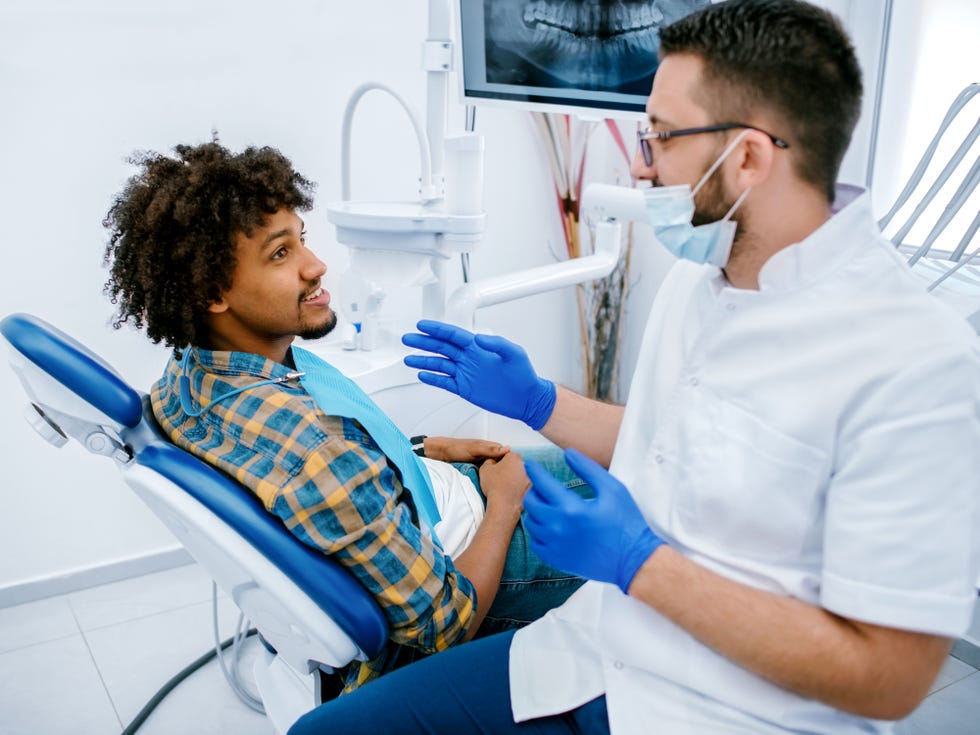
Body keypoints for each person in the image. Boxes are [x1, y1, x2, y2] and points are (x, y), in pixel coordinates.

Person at [287, 1, 980, 733]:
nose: (639, 163)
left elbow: (887, 678)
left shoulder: (917, 364)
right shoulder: (699, 277)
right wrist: (535, 399)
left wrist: (638, 563)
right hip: (591, 650)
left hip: (734, 712)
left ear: (748, 157)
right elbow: (671, 441)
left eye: (659, 138)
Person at [101, 139, 585, 694]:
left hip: (433, 495)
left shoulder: (189, 377)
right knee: (658, 523)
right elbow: (447, 627)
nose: (316, 264)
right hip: (476, 558)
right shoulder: (317, 452)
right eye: (280, 254)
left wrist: (422, 450)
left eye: (301, 240)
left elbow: (344, 478)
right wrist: (504, 502)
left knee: (625, 468)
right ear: (212, 292)